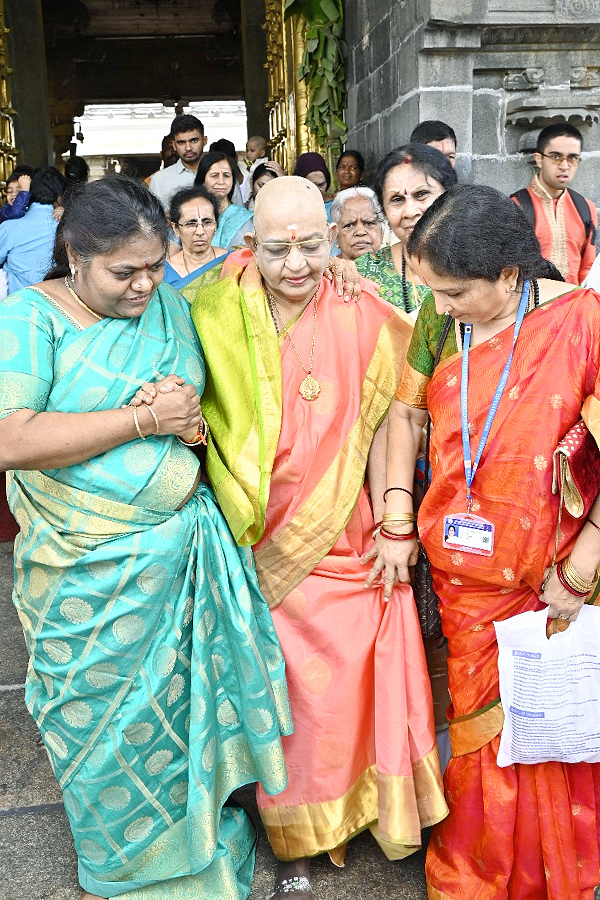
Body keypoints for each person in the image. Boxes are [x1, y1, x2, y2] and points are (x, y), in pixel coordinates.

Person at [0, 174, 292, 900]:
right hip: (82, 574)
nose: (144, 284)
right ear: (75, 257)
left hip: (180, 560)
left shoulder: (172, 306)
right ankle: (123, 862)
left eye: (155, 265)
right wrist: (140, 421)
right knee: (100, 726)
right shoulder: (29, 320)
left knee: (183, 717)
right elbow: (11, 437)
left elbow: (204, 413)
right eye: (123, 271)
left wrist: (184, 415)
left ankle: (194, 838)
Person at [185, 176, 447, 900]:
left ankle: (362, 811)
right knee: (283, 687)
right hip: (253, 538)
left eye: (310, 245)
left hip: (346, 528)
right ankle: (292, 831)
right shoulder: (212, 306)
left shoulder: (360, 304)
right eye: (277, 250)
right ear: (248, 246)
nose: (295, 264)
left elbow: (400, 412)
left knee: (366, 655)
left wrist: (396, 520)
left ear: (333, 241)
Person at [369, 183, 600, 899]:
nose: (439, 308)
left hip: (556, 581)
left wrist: (583, 566)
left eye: (454, 292)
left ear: (510, 275)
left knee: (555, 721)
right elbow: (402, 420)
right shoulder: (441, 327)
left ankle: (558, 872)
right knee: (475, 742)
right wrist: (398, 517)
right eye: (432, 291)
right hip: (463, 583)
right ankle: (477, 870)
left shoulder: (583, 323)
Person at [355, 144, 457, 316]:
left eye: (422, 194)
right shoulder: (364, 273)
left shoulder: (479, 267)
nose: (410, 211)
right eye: (397, 199)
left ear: (450, 196)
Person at [511, 122, 598, 285]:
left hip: (574, 304)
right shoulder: (516, 206)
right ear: (539, 159)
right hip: (531, 305)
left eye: (572, 158)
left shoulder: (586, 208)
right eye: (556, 156)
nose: (564, 166)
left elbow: (588, 267)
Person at [0, 165, 65, 293]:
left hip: (17, 306)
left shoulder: (9, 227)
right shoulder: (65, 226)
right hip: (57, 304)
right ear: (59, 197)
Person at [164, 185, 228, 299]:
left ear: (216, 225)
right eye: (191, 223)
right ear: (175, 228)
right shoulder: (164, 273)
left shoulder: (232, 263)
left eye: (207, 222)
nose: (200, 231)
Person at [195, 151, 253, 250]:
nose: (221, 181)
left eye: (226, 175)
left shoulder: (247, 219)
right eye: (214, 175)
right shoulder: (189, 215)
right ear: (202, 180)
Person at [149, 114, 207, 211]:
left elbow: (238, 214)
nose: (188, 148)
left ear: (204, 141)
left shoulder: (221, 175)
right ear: (174, 145)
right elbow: (153, 220)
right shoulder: (159, 180)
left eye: (194, 141)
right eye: (181, 142)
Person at [329, 186, 383, 260]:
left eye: (368, 223)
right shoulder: (325, 270)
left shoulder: (398, 267)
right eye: (349, 225)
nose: (360, 232)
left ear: (382, 230)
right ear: (336, 235)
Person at [293, 152, 334, 220]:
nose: (316, 190)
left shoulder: (336, 208)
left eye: (321, 185)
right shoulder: (290, 208)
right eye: (310, 186)